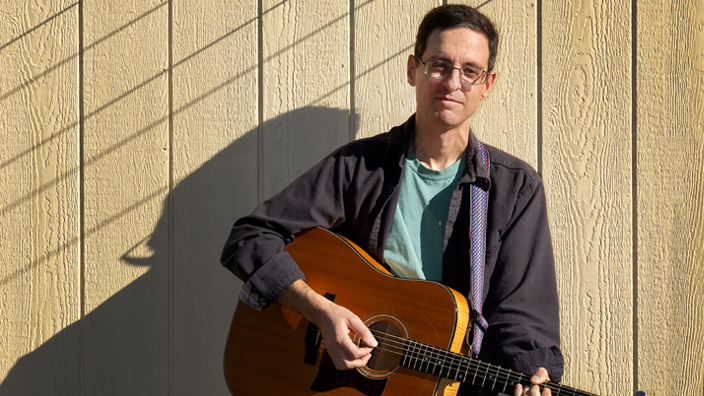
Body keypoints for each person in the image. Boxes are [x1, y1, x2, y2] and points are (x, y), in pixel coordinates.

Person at [221, 5, 563, 396]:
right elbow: (250, 237)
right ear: (412, 70)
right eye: (439, 64)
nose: (453, 82)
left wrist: (531, 377)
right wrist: (321, 310)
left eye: (470, 71)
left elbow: (523, 320)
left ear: (487, 84)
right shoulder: (360, 167)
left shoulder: (514, 188)